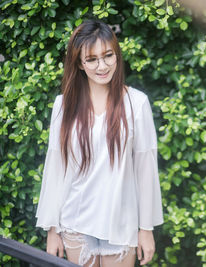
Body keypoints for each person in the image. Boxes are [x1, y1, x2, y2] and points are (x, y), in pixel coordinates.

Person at [35, 19, 163, 267]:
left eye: (108, 56)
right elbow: (56, 166)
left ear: (117, 56)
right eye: (92, 59)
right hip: (75, 223)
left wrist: (145, 228)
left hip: (121, 223)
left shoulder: (137, 103)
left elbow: (145, 170)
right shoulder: (64, 105)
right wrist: (53, 229)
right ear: (80, 64)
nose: (102, 66)